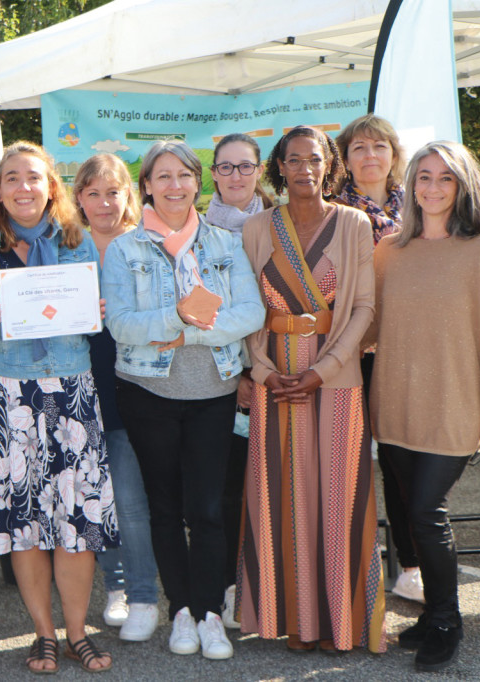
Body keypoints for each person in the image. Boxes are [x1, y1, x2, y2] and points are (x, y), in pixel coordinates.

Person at [0, 141, 118, 674]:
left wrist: (95, 312)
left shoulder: (77, 243)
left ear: (51, 186)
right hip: (6, 396)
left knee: (77, 520)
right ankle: (43, 634)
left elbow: (95, 320)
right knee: (22, 521)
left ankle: (77, 633)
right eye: (11, 179)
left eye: (34, 177)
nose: (23, 188)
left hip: (71, 392)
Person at [102, 140, 263, 661]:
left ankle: (211, 612)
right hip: (147, 392)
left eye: (184, 175)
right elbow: (121, 324)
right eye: (162, 176)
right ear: (146, 185)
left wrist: (187, 335)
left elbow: (250, 314)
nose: (174, 185)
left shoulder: (223, 243)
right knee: (165, 510)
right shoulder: (125, 249)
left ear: (199, 183)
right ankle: (181, 613)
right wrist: (178, 318)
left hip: (213, 392)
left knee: (209, 510)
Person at [236, 126, 386, 653]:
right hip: (274, 381)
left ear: (330, 166)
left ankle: (339, 623)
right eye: (294, 159)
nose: (304, 168)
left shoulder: (354, 224)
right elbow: (246, 310)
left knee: (338, 499)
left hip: (336, 379)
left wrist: (325, 369)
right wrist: (260, 372)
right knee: (283, 496)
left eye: (314, 159)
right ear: (279, 166)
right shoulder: (255, 228)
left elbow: (365, 307)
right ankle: (294, 621)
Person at [369, 141, 480, 672]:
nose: (433, 187)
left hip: (455, 404)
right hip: (395, 403)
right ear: (411, 186)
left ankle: (446, 620)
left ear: (462, 185)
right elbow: (367, 327)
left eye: (445, 178)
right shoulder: (388, 253)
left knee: (427, 510)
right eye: (424, 177)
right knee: (412, 515)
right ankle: (430, 617)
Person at [334, 114, 422, 604]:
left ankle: (409, 566)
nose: (370, 156)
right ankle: (350, 568)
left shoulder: (421, 206)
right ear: (345, 160)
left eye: (379, 146)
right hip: (351, 351)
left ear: (393, 153)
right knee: (347, 462)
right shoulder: (332, 213)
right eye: (359, 148)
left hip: (408, 350)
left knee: (400, 459)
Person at [73, 153, 161, 642]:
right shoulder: (68, 248)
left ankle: (145, 590)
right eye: (93, 193)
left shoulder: (146, 243)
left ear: (130, 194)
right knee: (94, 497)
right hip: (84, 388)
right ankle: (116, 586)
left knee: (130, 500)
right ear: (79, 199)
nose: (104, 203)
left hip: (138, 385)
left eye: (113, 192)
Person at [203, 132, 274, 629]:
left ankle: (277, 589)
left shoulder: (283, 225)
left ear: (260, 170)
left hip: (281, 371)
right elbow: (202, 308)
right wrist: (238, 374)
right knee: (227, 490)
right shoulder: (195, 228)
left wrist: (261, 369)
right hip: (221, 376)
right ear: (212, 174)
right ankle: (230, 590)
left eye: (244, 167)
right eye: (225, 168)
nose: (235, 177)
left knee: (277, 487)